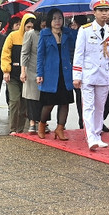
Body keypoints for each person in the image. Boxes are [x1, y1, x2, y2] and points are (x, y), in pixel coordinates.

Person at [72, 0, 109, 149]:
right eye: (101, 10)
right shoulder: (85, 30)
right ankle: (91, 137)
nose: (104, 13)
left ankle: (98, 135)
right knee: (88, 107)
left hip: (104, 75)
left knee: (100, 107)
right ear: (94, 12)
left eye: (107, 10)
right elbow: (79, 54)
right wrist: (77, 76)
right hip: (87, 74)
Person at [37, 9, 76, 142]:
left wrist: (74, 29)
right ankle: (42, 125)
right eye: (54, 18)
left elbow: (76, 43)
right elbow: (40, 56)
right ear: (50, 20)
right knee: (49, 103)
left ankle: (60, 128)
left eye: (60, 18)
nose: (57, 21)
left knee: (65, 102)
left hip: (65, 73)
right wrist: (40, 73)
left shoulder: (67, 33)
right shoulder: (44, 34)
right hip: (50, 74)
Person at [2, 15, 32, 134]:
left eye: (32, 27)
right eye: (27, 26)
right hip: (13, 75)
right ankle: (13, 128)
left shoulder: (34, 37)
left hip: (28, 76)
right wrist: (6, 70)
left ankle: (20, 129)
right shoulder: (12, 36)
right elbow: (5, 53)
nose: (29, 29)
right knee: (14, 101)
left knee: (24, 103)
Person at [21, 13, 43, 135]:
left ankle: (42, 121)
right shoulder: (30, 34)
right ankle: (32, 122)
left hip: (44, 69)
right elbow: (24, 53)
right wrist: (23, 71)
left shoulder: (50, 34)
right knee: (31, 97)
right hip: (31, 69)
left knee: (43, 98)